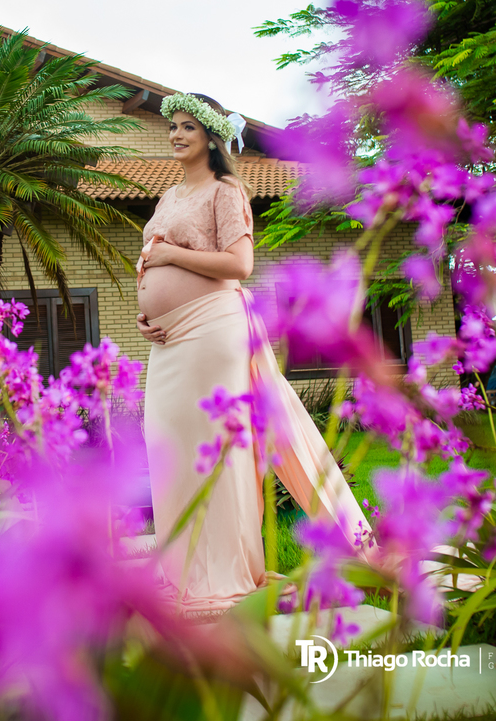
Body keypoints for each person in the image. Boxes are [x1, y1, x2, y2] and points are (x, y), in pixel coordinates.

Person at [136, 93, 369, 618]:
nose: (176, 135)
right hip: (167, 342)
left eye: (188, 127)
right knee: (168, 445)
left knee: (216, 447)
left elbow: (239, 264)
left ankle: (227, 571)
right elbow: (153, 264)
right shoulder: (169, 195)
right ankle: (183, 568)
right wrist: (145, 313)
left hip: (212, 332)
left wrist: (169, 255)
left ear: (211, 136)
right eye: (173, 126)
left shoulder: (226, 191)